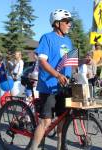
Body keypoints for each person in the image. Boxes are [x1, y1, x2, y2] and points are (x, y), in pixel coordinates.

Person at [30, 9, 74, 150]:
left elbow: (69, 62)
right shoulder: (47, 38)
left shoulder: (68, 41)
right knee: (45, 121)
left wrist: (83, 61)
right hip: (49, 85)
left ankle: (60, 147)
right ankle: (34, 148)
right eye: (66, 22)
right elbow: (42, 61)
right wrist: (57, 75)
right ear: (57, 23)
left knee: (62, 120)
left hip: (63, 86)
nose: (69, 24)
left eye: (70, 22)